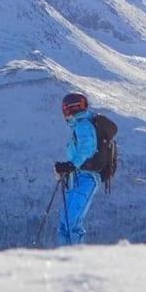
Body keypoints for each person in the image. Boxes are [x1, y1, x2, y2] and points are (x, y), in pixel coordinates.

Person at [54, 92, 100, 245]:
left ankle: (74, 260)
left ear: (71, 108)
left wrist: (71, 165)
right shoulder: (81, 125)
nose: (64, 114)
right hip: (78, 177)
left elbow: (87, 147)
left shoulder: (83, 125)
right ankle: (65, 257)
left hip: (86, 178)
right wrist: (68, 167)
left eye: (65, 109)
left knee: (71, 223)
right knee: (66, 222)